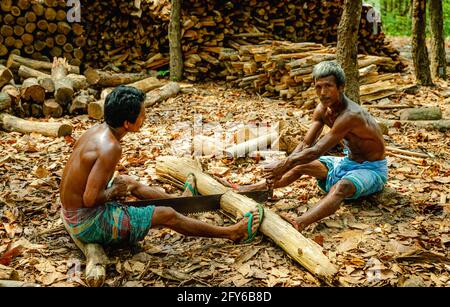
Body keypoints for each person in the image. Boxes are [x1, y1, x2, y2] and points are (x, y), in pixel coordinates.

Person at [60, 85, 264, 246]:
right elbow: (89, 200)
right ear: (127, 124)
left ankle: (181, 203)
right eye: (142, 113)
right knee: (166, 215)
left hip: (74, 212)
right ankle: (232, 233)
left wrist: (116, 189)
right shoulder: (111, 148)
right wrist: (113, 191)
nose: (145, 117)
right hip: (86, 223)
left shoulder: (97, 130)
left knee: (130, 183)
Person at [225, 61, 387, 232]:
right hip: (346, 162)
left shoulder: (351, 115)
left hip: (371, 169)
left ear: (341, 87)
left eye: (328, 86)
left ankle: (299, 223)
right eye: (318, 87)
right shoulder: (323, 109)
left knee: (341, 187)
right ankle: (249, 189)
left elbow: (317, 151)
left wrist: (284, 165)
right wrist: (284, 166)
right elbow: (306, 144)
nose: (323, 93)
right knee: (299, 165)